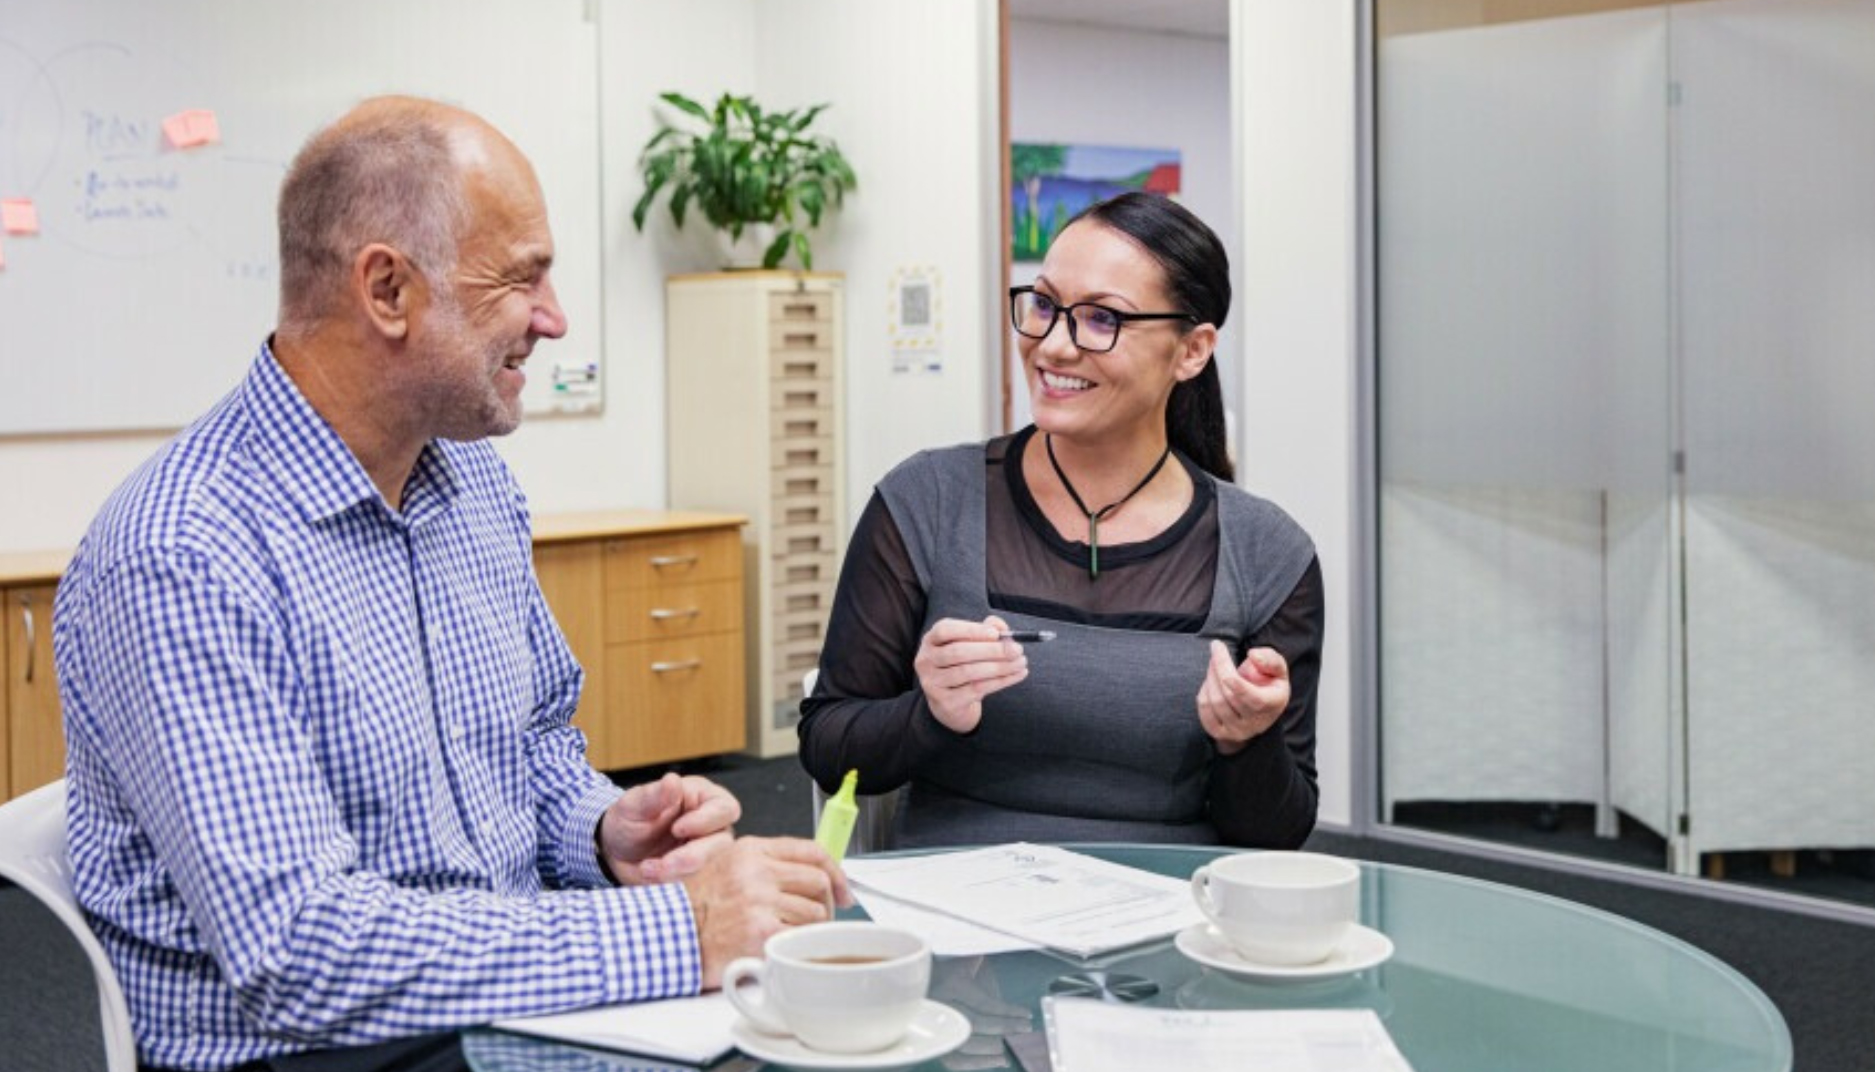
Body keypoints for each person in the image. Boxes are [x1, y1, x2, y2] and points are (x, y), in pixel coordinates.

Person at [52, 97, 848, 1072]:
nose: (553, 320)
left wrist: (601, 833)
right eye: (522, 278)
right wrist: (680, 932)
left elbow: (535, 747)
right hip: (310, 1046)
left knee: (825, 1031)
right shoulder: (184, 556)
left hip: (489, 991)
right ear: (387, 288)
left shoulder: (469, 486)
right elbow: (301, 954)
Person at [798, 192, 1322, 849]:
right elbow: (827, 746)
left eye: (1101, 318)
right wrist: (927, 712)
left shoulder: (1268, 552)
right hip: (959, 910)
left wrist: (1248, 741)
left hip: (1165, 914)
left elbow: (1277, 833)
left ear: (1191, 350)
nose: (1052, 345)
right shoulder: (926, 501)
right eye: (1043, 306)